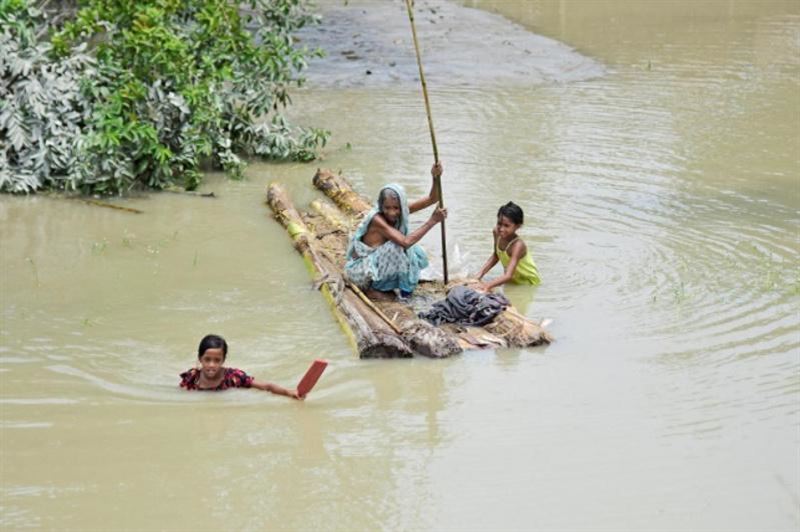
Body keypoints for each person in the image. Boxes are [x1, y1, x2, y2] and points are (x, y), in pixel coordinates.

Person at [345, 162, 448, 300]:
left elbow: (433, 199)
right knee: (398, 245)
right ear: (381, 206)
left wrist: (435, 177)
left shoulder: (401, 211)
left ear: (401, 206)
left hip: (374, 265)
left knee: (415, 250)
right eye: (387, 208)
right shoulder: (377, 219)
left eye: (396, 208)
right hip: (360, 272)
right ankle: (374, 289)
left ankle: (397, 286)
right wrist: (432, 221)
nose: (392, 212)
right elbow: (405, 242)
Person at [180, 334, 302, 398]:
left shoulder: (234, 377)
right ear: (200, 358)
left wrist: (288, 392)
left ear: (223, 360)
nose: (211, 365)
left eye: (217, 360)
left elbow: (266, 386)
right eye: (207, 360)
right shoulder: (192, 378)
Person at [475, 201, 540, 291]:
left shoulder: (518, 245)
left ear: (517, 226)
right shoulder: (496, 232)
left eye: (506, 226)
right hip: (512, 279)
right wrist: (479, 275)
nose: (501, 229)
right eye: (499, 224)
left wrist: (487, 286)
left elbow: (508, 275)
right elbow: (496, 256)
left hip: (527, 283)